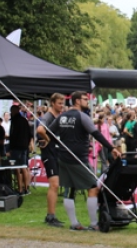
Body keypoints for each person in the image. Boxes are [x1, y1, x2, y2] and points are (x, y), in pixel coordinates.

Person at [48, 91, 121, 231]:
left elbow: (48, 132)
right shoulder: (82, 116)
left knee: (70, 189)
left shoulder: (62, 116)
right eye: (85, 99)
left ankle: (74, 224)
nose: (88, 101)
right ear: (77, 101)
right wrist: (111, 148)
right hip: (78, 159)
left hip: (63, 158)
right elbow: (96, 134)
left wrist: (55, 144)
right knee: (93, 188)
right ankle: (94, 224)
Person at [36, 93, 66, 227]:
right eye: (59, 103)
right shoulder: (48, 116)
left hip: (56, 153)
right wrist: (47, 139)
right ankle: (50, 216)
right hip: (49, 154)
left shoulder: (58, 117)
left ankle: (51, 215)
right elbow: (40, 129)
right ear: (52, 103)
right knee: (54, 184)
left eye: (63, 103)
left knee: (56, 184)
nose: (61, 106)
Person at [9, 104, 33, 195]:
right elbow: (29, 134)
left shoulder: (15, 121)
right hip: (24, 147)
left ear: (13, 111)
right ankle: (26, 187)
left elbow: (13, 135)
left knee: (16, 168)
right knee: (24, 167)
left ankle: (19, 189)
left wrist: (10, 148)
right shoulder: (24, 120)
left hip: (16, 147)